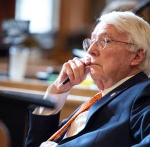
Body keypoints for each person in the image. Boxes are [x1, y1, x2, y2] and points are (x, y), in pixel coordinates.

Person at [25, 11, 150, 147]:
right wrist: (58, 91)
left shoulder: (143, 93)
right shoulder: (99, 100)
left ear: (137, 56)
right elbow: (37, 144)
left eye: (105, 41)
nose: (90, 50)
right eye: (91, 41)